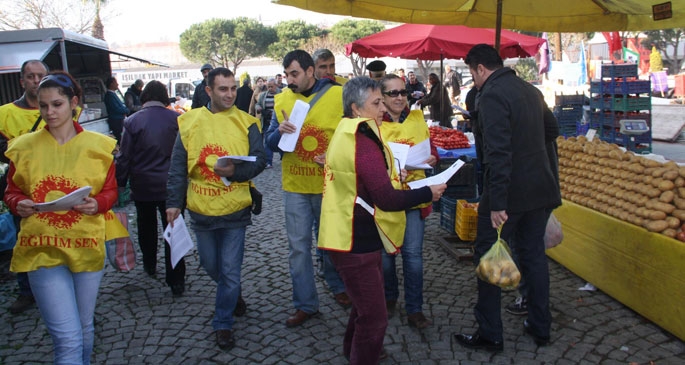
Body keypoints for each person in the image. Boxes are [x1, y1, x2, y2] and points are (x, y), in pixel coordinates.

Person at [318, 76, 446, 364]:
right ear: (356, 108)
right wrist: (428, 191)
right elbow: (386, 199)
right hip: (355, 241)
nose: (382, 108)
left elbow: (362, 180)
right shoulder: (362, 140)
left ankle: (352, 351)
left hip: (348, 235)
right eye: (376, 102)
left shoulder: (347, 131)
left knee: (362, 309)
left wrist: (390, 176)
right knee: (375, 319)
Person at [4, 71, 118, 364]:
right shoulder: (24, 146)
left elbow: (110, 191)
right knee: (67, 338)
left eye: (57, 104)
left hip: (86, 244)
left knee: (83, 327)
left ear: (74, 103)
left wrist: (97, 205)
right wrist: (20, 204)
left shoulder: (98, 146)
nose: (50, 112)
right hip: (41, 247)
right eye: (44, 106)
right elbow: (11, 191)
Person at [454, 44, 561, 352]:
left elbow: (497, 154)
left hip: (508, 194)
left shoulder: (491, 95)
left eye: (473, 74)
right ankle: (541, 327)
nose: (474, 80)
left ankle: (490, 333)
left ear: (479, 69)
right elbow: (551, 129)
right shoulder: (529, 90)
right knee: (534, 257)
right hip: (540, 188)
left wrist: (497, 203)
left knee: (487, 256)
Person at [166, 67, 266, 350]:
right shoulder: (189, 122)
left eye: (233, 88)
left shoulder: (247, 122)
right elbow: (176, 167)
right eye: (223, 89)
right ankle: (232, 294)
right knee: (210, 265)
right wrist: (173, 203)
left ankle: (222, 322)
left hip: (236, 210)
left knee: (231, 272)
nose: (230, 94)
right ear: (208, 91)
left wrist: (235, 171)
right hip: (202, 210)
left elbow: (260, 160)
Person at [265, 50, 346, 327]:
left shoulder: (339, 96)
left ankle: (338, 286)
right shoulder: (282, 100)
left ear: (311, 71)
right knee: (298, 248)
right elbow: (269, 143)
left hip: (329, 186)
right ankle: (305, 304)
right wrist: (279, 132)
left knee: (332, 243)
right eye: (287, 74)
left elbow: (353, 135)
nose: (289, 79)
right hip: (296, 186)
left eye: (294, 74)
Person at [378, 74, 440, 329]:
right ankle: (389, 297)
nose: (399, 97)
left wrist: (433, 157)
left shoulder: (416, 118)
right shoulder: (373, 124)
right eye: (392, 93)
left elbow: (430, 148)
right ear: (381, 96)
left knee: (413, 255)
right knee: (386, 255)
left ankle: (415, 308)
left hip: (415, 196)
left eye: (402, 92)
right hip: (387, 200)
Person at [115, 80, 186, 297]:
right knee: (174, 231)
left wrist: (119, 183)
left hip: (143, 184)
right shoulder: (178, 119)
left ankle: (149, 263)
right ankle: (176, 279)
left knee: (146, 228)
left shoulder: (132, 121)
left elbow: (124, 156)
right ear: (165, 96)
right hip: (172, 186)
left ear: (144, 96)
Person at [0, 59, 49, 315]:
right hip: (22, 187)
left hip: (54, 187)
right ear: (22, 81)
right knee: (24, 240)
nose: (36, 80)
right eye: (31, 76)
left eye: (41, 75)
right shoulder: (5, 113)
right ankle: (26, 290)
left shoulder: (59, 109)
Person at [254, 78, 281, 169]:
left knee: (281, 140)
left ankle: (283, 157)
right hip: (266, 121)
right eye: (268, 86)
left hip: (279, 121)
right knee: (267, 141)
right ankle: (268, 161)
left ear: (276, 86)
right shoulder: (263, 95)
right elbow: (257, 104)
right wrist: (259, 109)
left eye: (271, 86)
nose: (269, 88)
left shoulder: (281, 94)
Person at [104, 76, 129, 142]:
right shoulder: (109, 95)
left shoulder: (113, 94)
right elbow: (116, 108)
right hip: (116, 121)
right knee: (119, 138)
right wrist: (126, 110)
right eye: (116, 82)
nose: (117, 84)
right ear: (111, 84)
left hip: (119, 120)